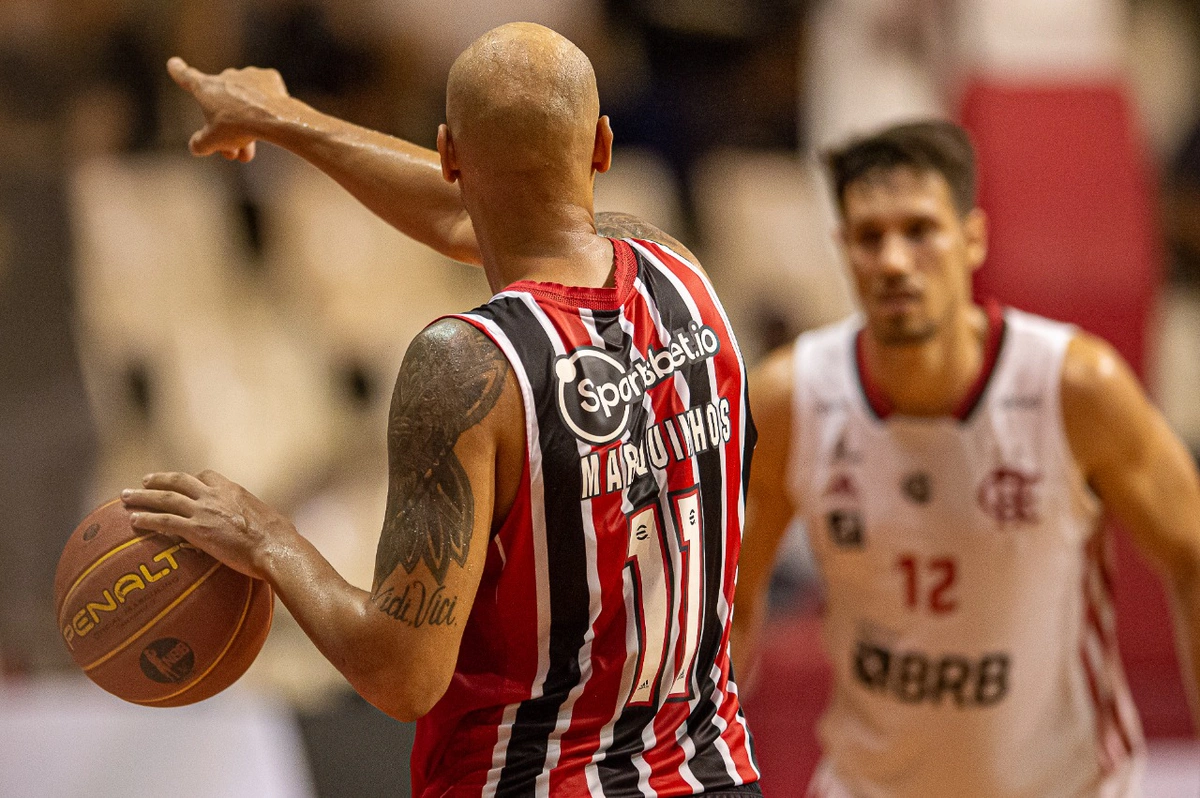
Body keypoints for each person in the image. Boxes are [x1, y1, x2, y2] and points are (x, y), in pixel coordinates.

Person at [122, 22, 763, 798]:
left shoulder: (465, 365)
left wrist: (266, 537)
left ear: (449, 153)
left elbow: (402, 674)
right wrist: (284, 117)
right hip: (713, 775)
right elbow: (481, 219)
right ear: (601, 145)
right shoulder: (681, 272)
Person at [731, 120, 1200, 797]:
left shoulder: (1074, 388)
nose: (894, 261)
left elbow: (1191, 555)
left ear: (973, 238)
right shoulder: (788, 399)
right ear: (842, 249)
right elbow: (734, 607)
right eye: (870, 236)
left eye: (920, 231)